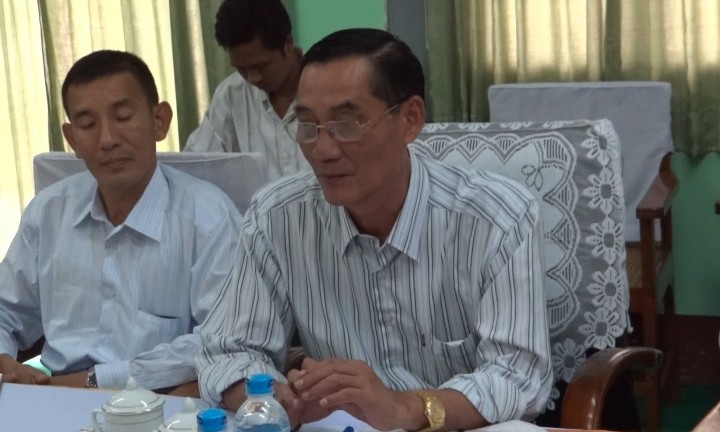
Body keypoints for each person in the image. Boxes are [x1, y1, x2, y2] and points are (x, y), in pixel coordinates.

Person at [197, 29, 553, 430]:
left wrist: (405, 408)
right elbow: (226, 351)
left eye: (347, 124)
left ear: (410, 119)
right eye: (307, 125)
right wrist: (277, 400)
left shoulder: (496, 218)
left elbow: (518, 376)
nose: (322, 150)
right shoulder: (276, 217)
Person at [0, 50, 243, 392]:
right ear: (72, 139)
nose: (108, 140)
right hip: (53, 396)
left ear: (159, 121)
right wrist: (7, 364)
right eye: (88, 125)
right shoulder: (49, 212)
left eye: (124, 116)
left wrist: (89, 382)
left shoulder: (208, 219)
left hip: (164, 401)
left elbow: (222, 340)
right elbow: (5, 310)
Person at [184, 0, 308, 182]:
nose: (252, 78)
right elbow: (196, 167)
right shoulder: (231, 95)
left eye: (261, 66)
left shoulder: (331, 89)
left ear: (287, 42)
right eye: (241, 68)